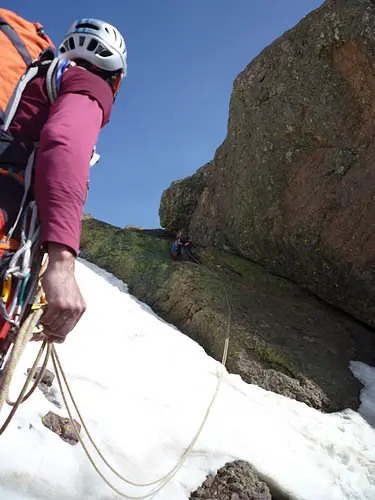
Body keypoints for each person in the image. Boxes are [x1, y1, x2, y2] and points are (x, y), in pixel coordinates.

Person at [4, 18, 127, 344]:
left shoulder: (33, 79)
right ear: (115, 78)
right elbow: (65, 143)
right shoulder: (89, 83)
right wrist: (61, 263)